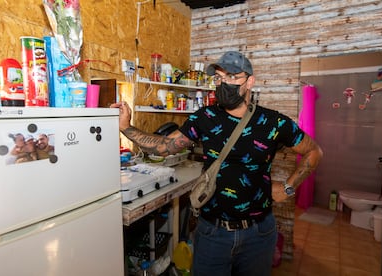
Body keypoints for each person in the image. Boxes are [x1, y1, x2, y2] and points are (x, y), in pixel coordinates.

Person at [111, 51, 323, 276]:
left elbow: (313, 151)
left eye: (232, 77)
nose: (224, 84)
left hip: (258, 234)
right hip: (213, 233)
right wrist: (126, 127)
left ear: (250, 81)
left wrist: (289, 187)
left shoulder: (274, 122)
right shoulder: (204, 118)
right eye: (219, 78)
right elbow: (164, 146)